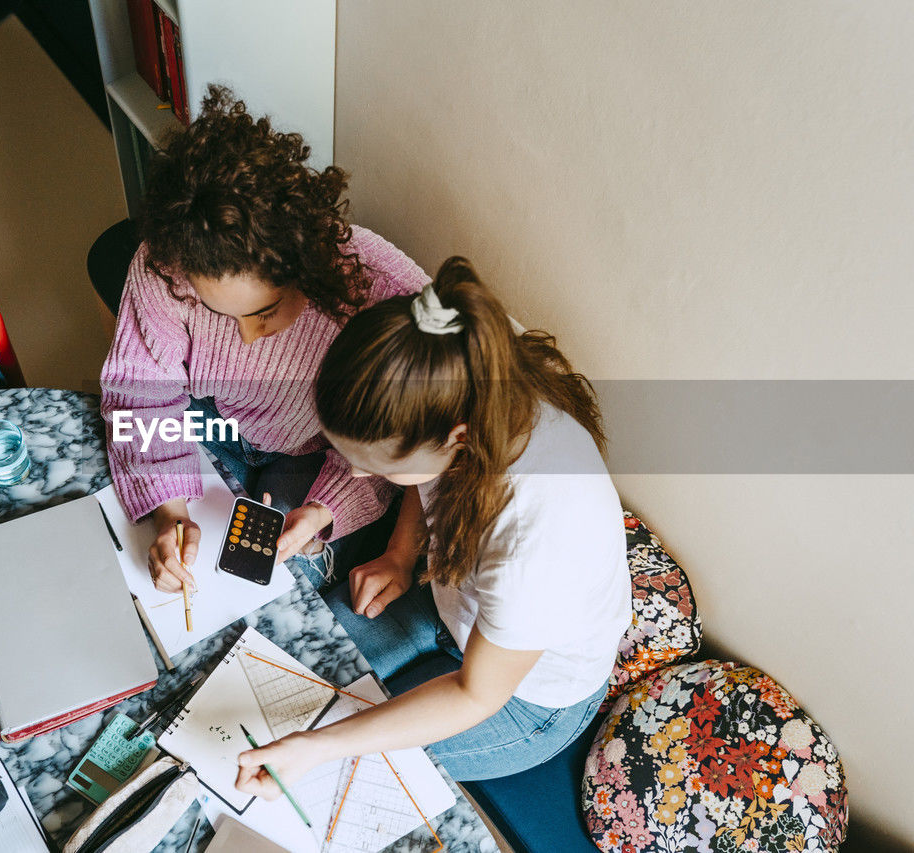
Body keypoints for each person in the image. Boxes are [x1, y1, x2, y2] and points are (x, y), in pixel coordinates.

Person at [235, 256, 631, 790]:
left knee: (327, 772)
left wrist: (319, 748)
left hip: (525, 699)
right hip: (456, 609)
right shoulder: (461, 357)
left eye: (379, 465)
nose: (353, 473)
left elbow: (474, 694)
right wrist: (400, 556)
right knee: (277, 683)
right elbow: (431, 481)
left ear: (457, 437)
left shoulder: (536, 541)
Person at [100, 86, 429, 591]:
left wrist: (324, 510)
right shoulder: (165, 266)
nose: (248, 340)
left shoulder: (382, 291)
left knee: (269, 572)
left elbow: (397, 443)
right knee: (172, 533)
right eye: (219, 313)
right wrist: (168, 511)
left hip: (326, 455)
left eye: (266, 311)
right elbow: (140, 396)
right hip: (214, 419)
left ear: (307, 263)